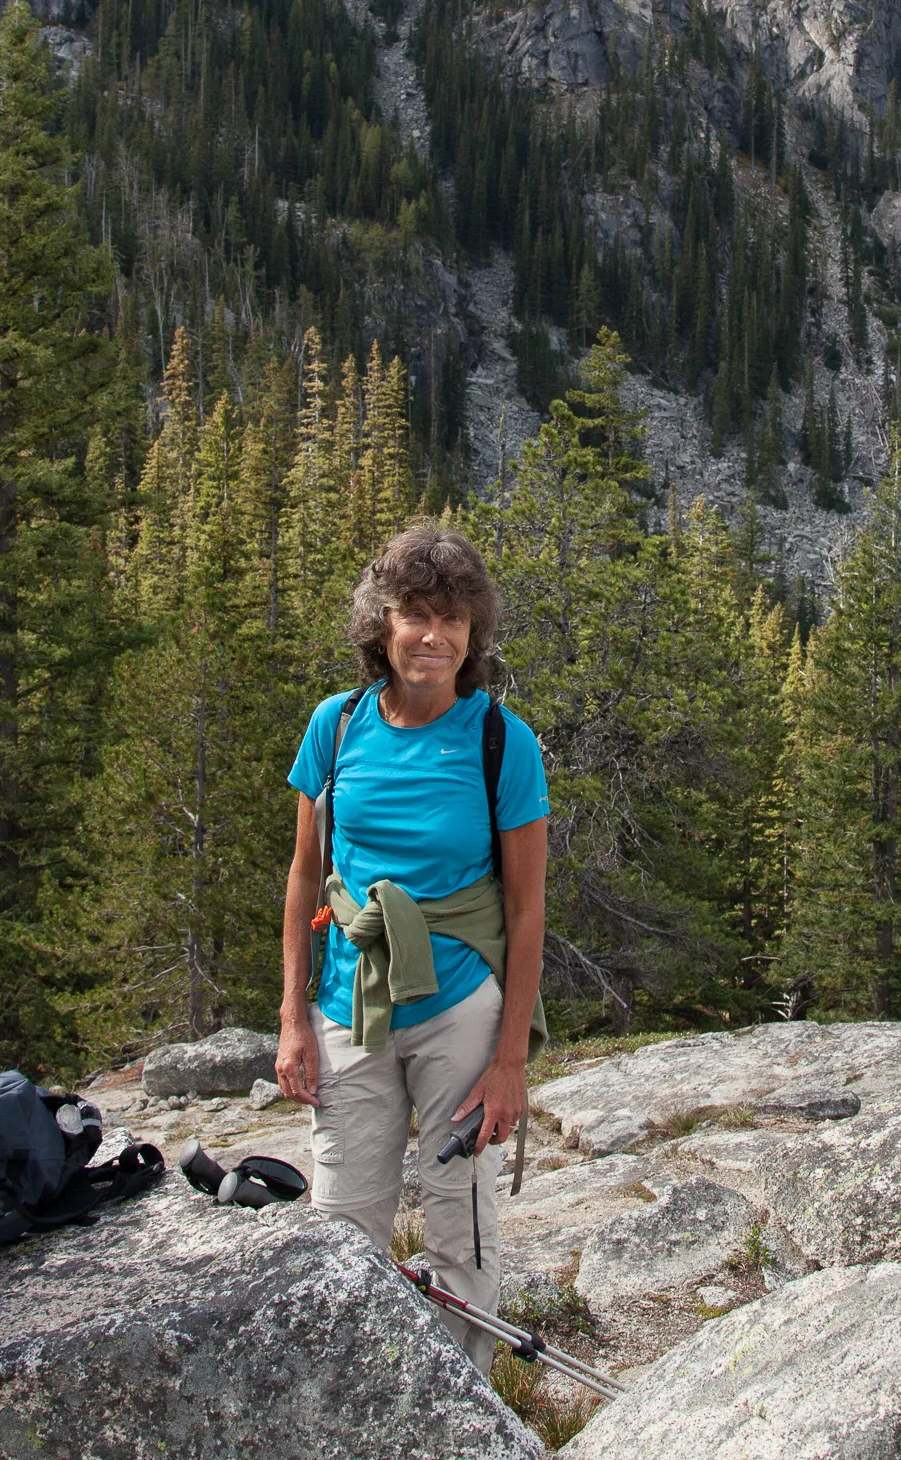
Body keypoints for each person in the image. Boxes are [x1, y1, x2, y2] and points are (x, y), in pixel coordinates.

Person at [274, 522, 550, 1370]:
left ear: (474, 635)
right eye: (415, 615)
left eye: (453, 619)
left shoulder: (502, 741)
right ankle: (350, 1394)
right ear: (382, 625)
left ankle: (458, 1402)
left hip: (460, 1006)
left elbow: (527, 907)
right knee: (340, 1222)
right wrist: (290, 1015)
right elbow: (302, 875)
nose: (434, 636)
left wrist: (511, 1062)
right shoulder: (336, 724)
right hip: (350, 1006)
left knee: (457, 1214)